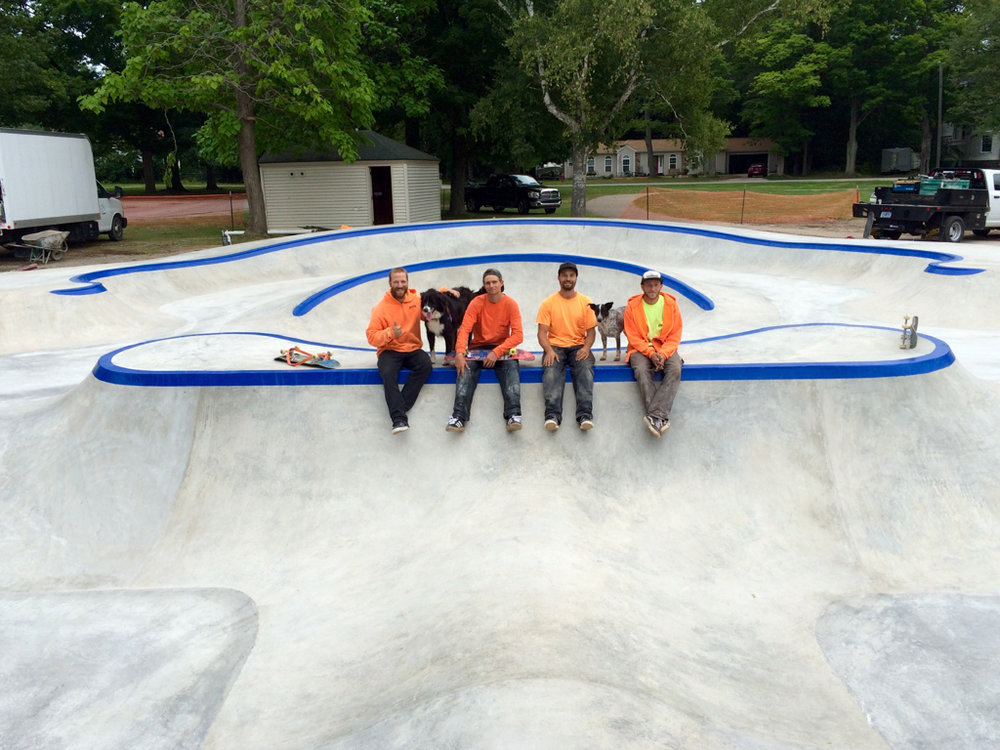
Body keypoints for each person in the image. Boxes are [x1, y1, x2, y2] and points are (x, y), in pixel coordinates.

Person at [446, 268, 524, 433]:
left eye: (495, 282)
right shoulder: (477, 303)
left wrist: (497, 351)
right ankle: (458, 417)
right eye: (487, 283)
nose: (491, 286)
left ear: (501, 283)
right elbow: (464, 329)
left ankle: (513, 415)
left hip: (501, 349)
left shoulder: (511, 304)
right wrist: (459, 353)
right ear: (484, 285)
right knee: (464, 370)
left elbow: (518, 335)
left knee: (512, 370)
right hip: (478, 348)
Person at [366, 267, 433, 434]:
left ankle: (400, 407)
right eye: (396, 282)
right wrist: (390, 333)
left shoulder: (416, 300)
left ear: (407, 282)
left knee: (425, 365)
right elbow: (371, 337)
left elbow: (432, 299)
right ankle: (399, 419)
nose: (400, 285)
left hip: (412, 348)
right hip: (390, 349)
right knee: (387, 373)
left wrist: (448, 291)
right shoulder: (380, 308)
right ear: (390, 283)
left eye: (403, 281)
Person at [536, 261, 598, 431]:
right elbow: (542, 332)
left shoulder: (586, 302)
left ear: (576, 278)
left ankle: (585, 415)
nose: (568, 279)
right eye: (565, 275)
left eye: (571, 275)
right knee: (550, 370)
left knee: (585, 369)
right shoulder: (548, 303)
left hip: (579, 345)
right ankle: (552, 416)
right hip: (555, 346)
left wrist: (586, 349)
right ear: (559, 278)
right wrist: (548, 350)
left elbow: (591, 332)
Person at [623, 269, 683, 437]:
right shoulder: (632, 307)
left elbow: (675, 335)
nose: (652, 289)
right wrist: (650, 354)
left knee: (675, 368)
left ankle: (655, 416)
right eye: (649, 285)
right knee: (641, 370)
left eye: (656, 285)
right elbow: (633, 336)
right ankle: (659, 416)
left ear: (661, 286)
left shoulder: (671, 305)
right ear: (642, 287)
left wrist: (663, 354)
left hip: (665, 348)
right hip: (640, 349)